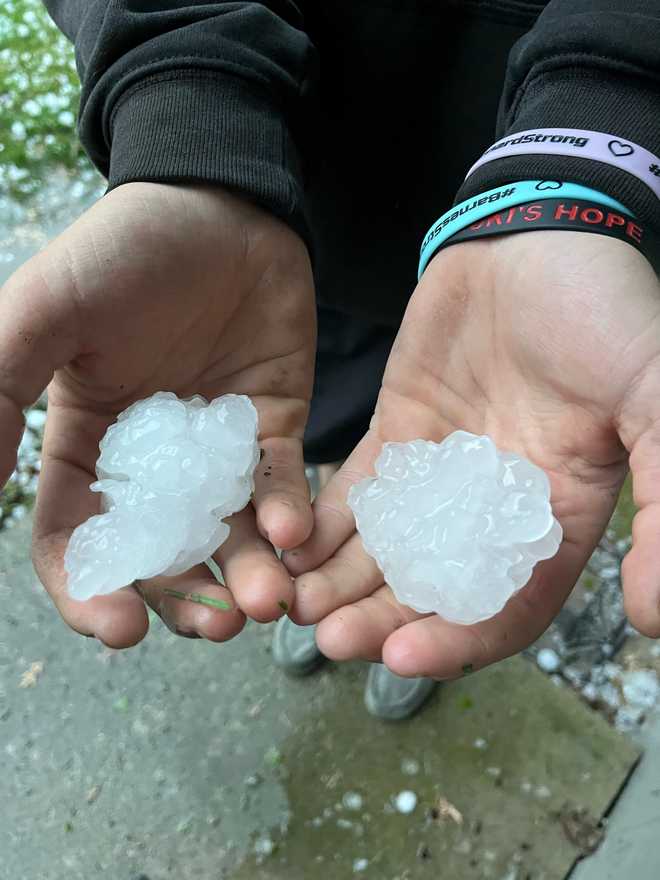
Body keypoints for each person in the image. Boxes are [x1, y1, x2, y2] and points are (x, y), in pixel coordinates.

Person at [2, 1, 659, 719]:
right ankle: (319, 499)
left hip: (527, 150)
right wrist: (191, 111)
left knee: (390, 400)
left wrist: (608, 117)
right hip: (298, 189)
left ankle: (369, 585)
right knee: (314, 391)